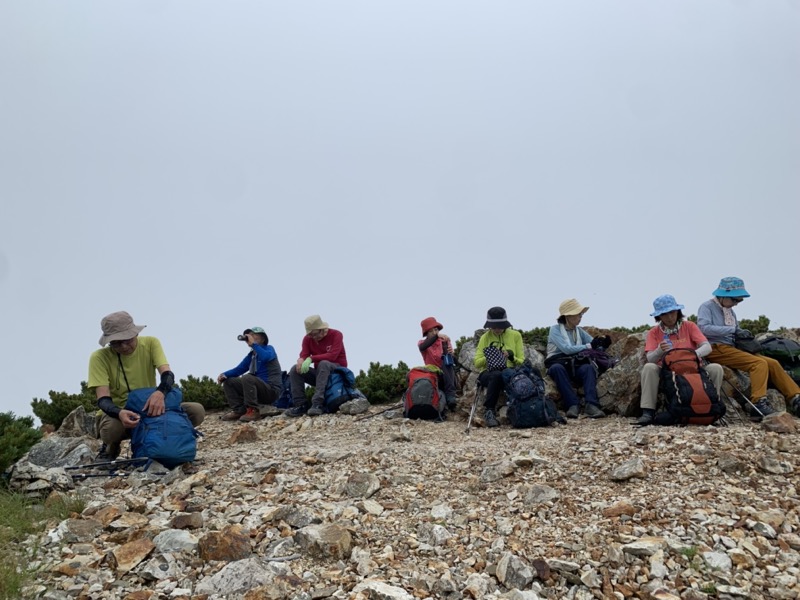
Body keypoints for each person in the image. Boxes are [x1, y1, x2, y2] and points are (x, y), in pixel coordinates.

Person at [88, 311, 205, 461]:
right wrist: (120, 413)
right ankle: (111, 445)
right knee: (110, 431)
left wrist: (160, 393)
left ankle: (171, 437)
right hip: (119, 413)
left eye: (127, 340)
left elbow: (167, 375)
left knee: (197, 411)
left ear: (135, 334)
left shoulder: (151, 343)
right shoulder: (98, 358)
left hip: (151, 407)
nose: (123, 346)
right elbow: (103, 399)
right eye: (116, 343)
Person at [698, 277, 800, 419]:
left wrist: (742, 334)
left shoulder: (730, 311)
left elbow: (734, 329)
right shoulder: (707, 307)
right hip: (715, 347)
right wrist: (733, 330)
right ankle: (758, 403)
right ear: (723, 295)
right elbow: (703, 328)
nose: (736, 304)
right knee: (758, 364)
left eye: (739, 300)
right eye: (735, 300)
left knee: (773, 363)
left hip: (733, 347)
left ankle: (795, 398)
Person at [638, 294, 724, 426]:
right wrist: (659, 350)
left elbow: (707, 347)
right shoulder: (654, 332)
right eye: (664, 314)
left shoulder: (689, 326)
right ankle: (648, 411)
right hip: (667, 372)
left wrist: (692, 355)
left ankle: (712, 406)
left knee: (716, 368)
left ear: (678, 311)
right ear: (659, 316)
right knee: (649, 368)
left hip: (693, 370)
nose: (669, 317)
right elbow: (650, 358)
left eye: (672, 312)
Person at [544, 299, 608, 419]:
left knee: (588, 368)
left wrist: (602, 344)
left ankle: (591, 405)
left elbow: (593, 343)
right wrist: (589, 345)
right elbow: (567, 349)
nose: (580, 316)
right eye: (578, 314)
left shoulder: (579, 331)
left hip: (574, 365)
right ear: (568, 316)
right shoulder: (555, 330)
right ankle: (572, 405)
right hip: (559, 363)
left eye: (581, 314)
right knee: (557, 369)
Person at [286, 314, 348, 417]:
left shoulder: (336, 335)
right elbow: (304, 354)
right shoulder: (307, 339)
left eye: (315, 334)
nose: (313, 337)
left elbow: (332, 356)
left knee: (323, 364)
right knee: (295, 369)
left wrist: (312, 358)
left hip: (337, 372)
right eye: (310, 335)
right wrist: (301, 360)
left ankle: (317, 403)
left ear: (322, 329)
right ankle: (300, 405)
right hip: (321, 374)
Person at [217, 327, 283, 422]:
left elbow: (265, 357)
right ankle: (239, 410)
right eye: (249, 335)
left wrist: (254, 344)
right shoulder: (252, 355)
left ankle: (253, 411)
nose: (250, 337)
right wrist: (224, 374)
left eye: (253, 335)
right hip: (257, 390)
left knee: (247, 378)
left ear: (263, 338)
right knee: (229, 381)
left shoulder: (269, 349)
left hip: (271, 390)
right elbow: (238, 369)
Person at [473, 307, 525, 427]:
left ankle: (520, 411)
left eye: (500, 326)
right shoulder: (484, 338)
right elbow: (477, 362)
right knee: (496, 375)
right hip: (488, 372)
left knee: (511, 375)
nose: (497, 329)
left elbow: (521, 361)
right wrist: (491, 356)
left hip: (509, 370)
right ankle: (489, 411)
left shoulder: (515, 335)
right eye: (493, 326)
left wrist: (512, 357)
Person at [418, 317, 457, 411]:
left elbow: (454, 362)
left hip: (447, 376)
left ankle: (451, 396)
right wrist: (437, 336)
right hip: (433, 376)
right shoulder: (422, 343)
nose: (435, 332)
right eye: (432, 331)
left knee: (446, 361)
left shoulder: (444, 341)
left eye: (436, 329)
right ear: (427, 332)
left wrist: (451, 354)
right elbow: (423, 347)